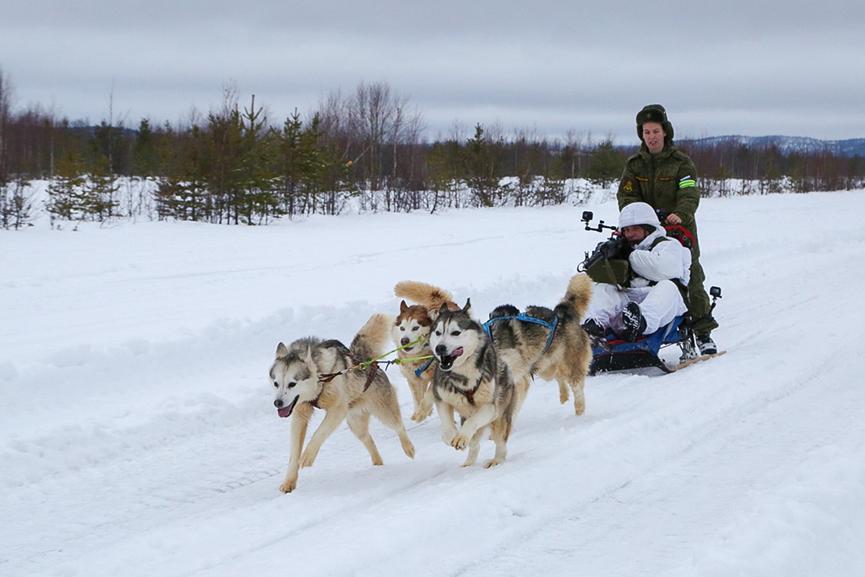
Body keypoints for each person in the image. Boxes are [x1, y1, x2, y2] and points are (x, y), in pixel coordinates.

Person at [617, 103, 718, 354]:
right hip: (644, 231)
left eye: (655, 131)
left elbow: (689, 193)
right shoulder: (634, 165)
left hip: (677, 229)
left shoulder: (681, 163)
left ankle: (702, 330)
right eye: (646, 132)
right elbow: (626, 197)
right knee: (631, 271)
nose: (651, 136)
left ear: (665, 132)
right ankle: (632, 322)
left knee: (689, 274)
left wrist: (679, 215)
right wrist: (637, 221)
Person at [583, 202, 691, 342]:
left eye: (635, 229)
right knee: (603, 287)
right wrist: (607, 256)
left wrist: (630, 254)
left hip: (661, 301)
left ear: (648, 228)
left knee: (668, 287)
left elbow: (662, 269)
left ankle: (638, 322)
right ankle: (594, 326)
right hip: (631, 299)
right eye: (626, 230)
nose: (630, 234)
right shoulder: (625, 246)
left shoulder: (668, 244)